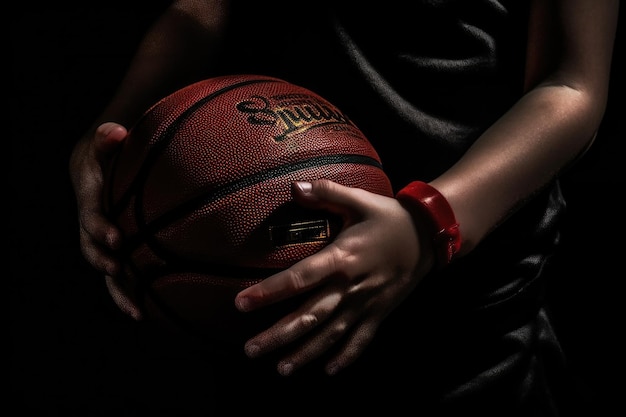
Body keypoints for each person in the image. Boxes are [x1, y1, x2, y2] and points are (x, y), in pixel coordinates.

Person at [69, 0, 619, 415]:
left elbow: (570, 84)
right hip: (248, 275)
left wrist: (430, 222)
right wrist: (114, 131)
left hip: (461, 321)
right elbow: (202, 8)